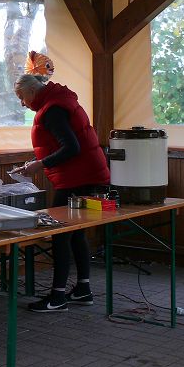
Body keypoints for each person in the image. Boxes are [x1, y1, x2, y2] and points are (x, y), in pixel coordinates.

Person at [11, 74, 110, 312]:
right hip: (88, 175)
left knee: (60, 234)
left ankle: (57, 297)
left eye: (22, 97)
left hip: (77, 178)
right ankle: (83, 289)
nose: (22, 103)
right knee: (76, 234)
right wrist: (38, 161)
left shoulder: (53, 110)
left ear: (32, 91)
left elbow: (71, 147)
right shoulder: (59, 100)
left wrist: (40, 164)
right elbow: (63, 144)